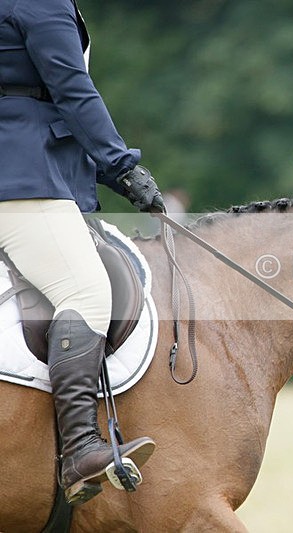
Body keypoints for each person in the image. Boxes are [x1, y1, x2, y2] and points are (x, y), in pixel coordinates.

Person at [0, 0, 164, 505]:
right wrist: (124, 168)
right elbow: (73, 90)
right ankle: (80, 449)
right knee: (87, 291)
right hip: (20, 175)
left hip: (24, 167)